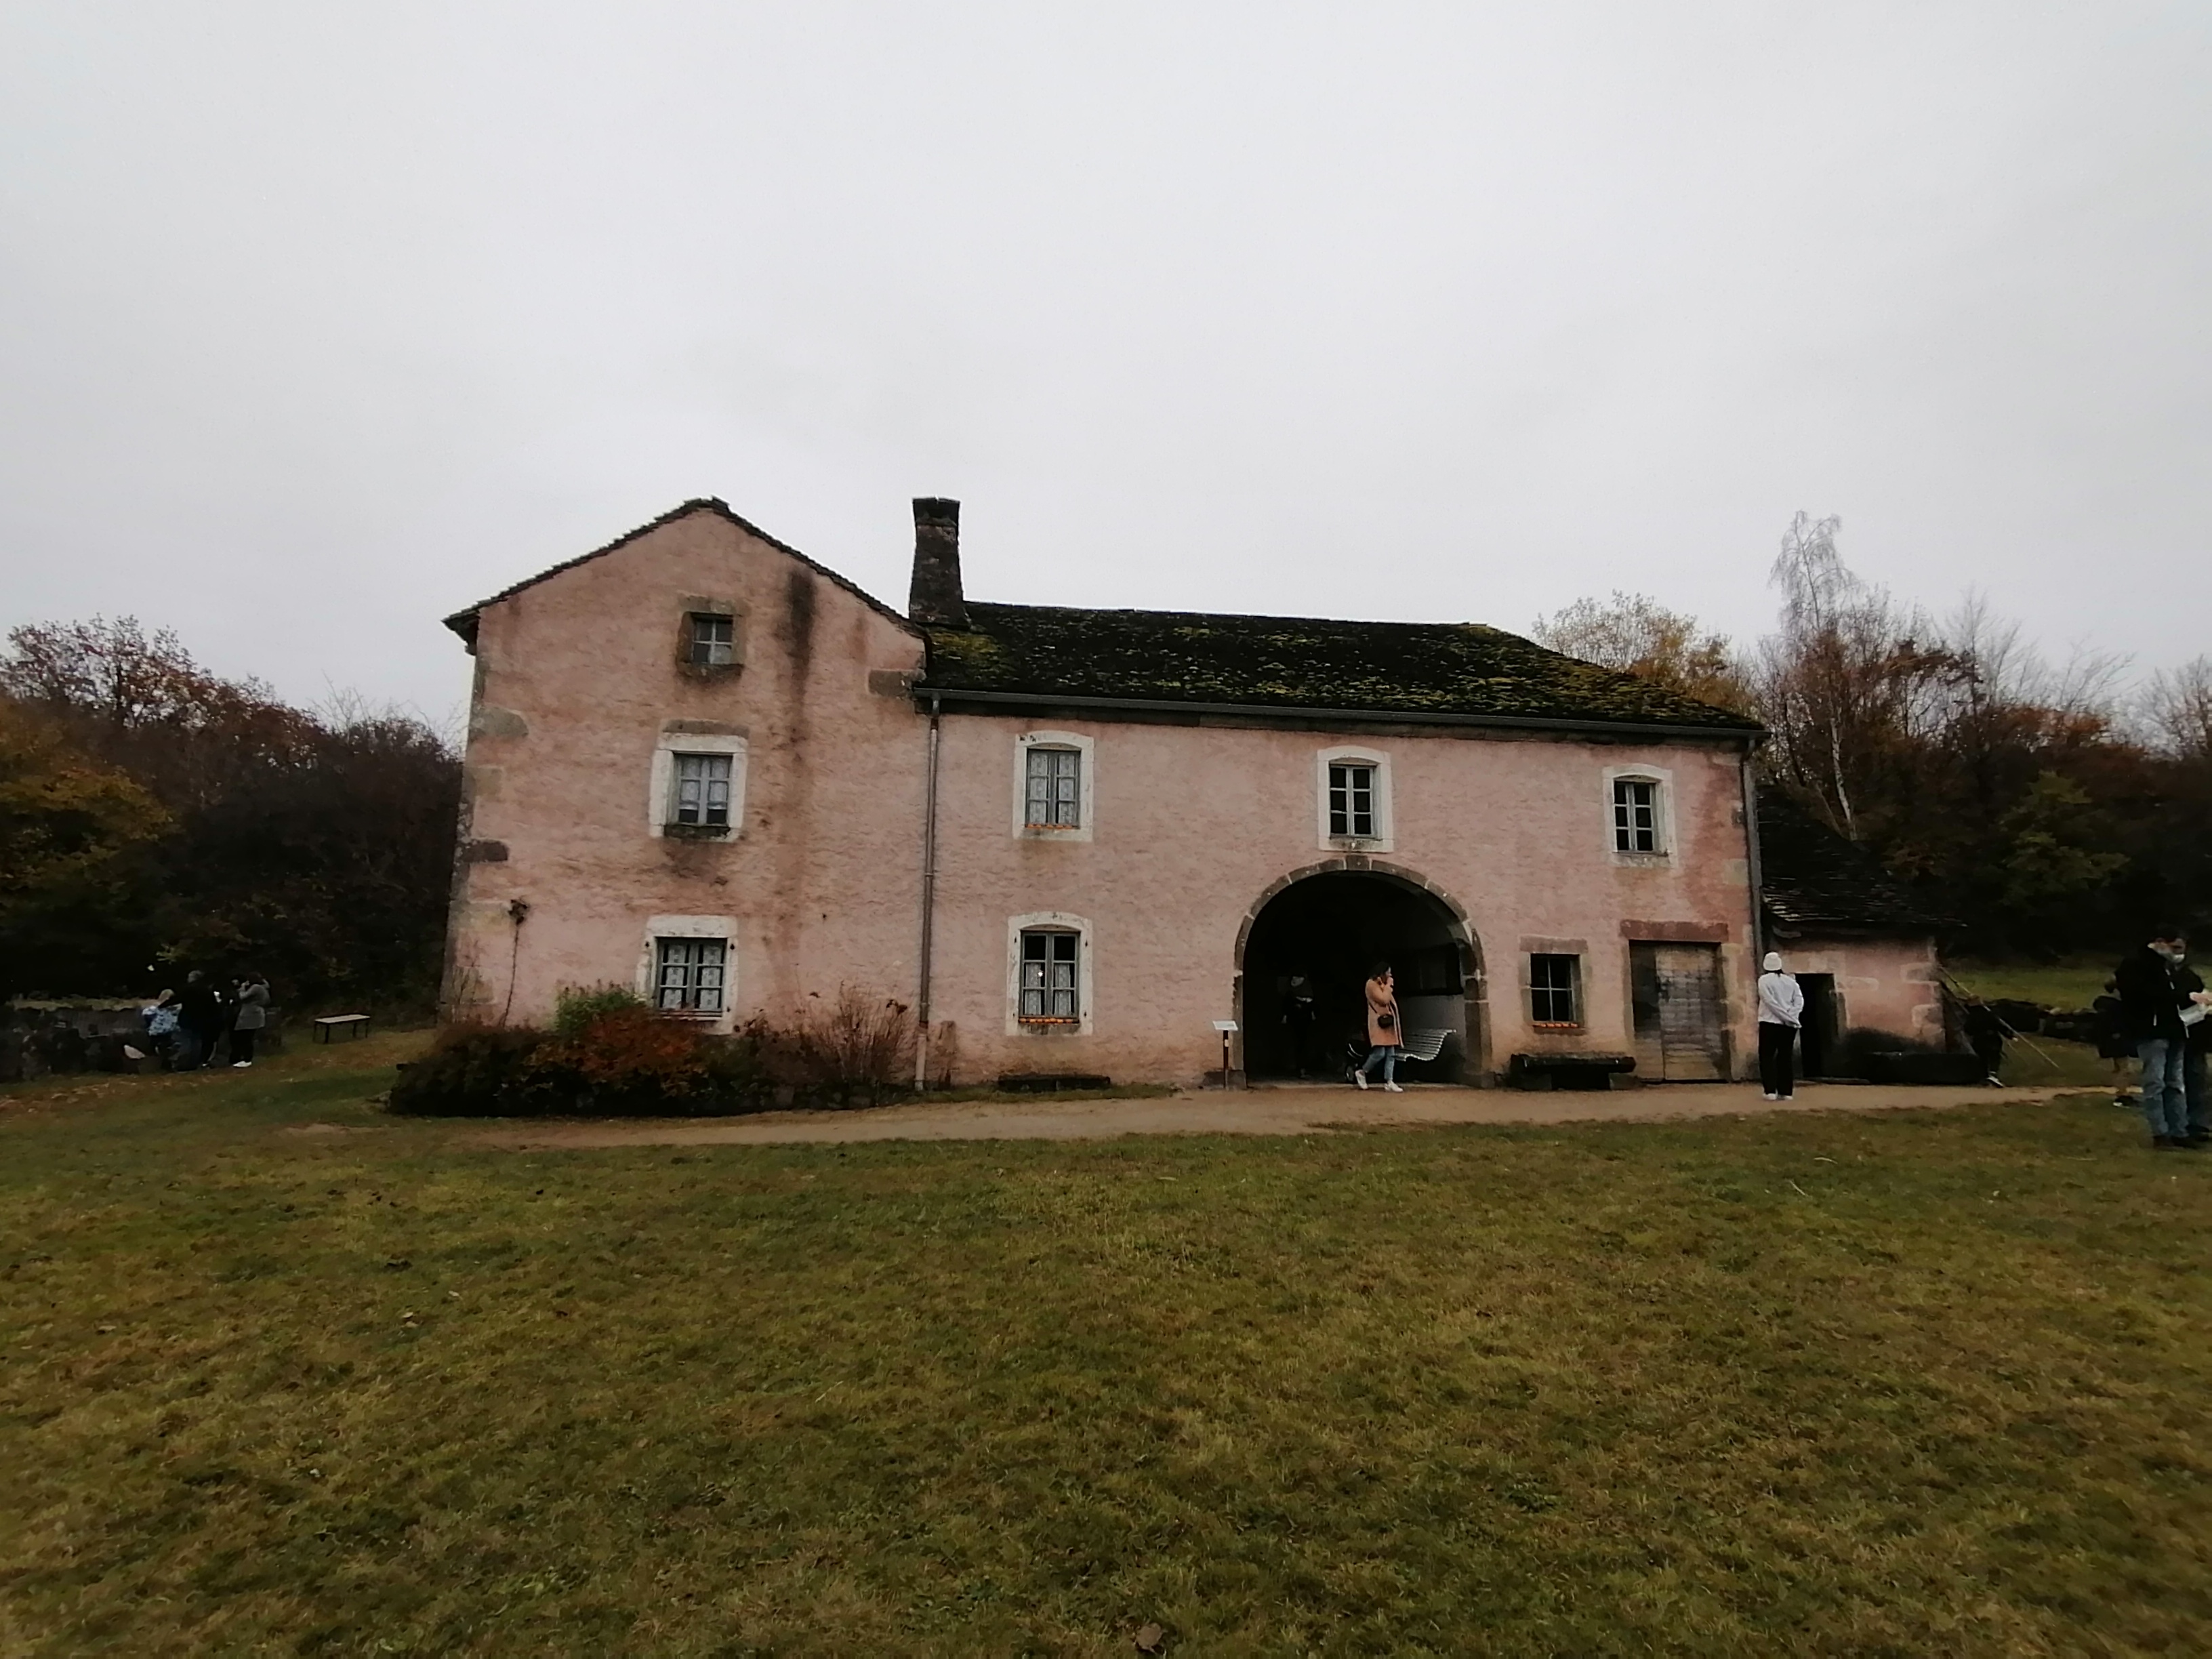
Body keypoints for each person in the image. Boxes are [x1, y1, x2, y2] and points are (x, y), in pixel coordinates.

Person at [2114, 930, 2192, 1149]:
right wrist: (2183, 996)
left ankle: (2179, 1131)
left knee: (2175, 1083)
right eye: (2174, 947)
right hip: (2151, 1030)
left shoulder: (2170, 967)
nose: (2177, 953)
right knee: (2155, 1082)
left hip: (2176, 1029)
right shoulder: (2135, 965)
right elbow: (2142, 994)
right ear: (2160, 943)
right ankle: (2160, 1133)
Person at [2169, 946, 2212, 1147]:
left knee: (2197, 1079)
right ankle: (2177, 1125)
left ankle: (2198, 1124)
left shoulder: (2190, 976)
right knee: (2175, 1081)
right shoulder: (2158, 975)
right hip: (2172, 1032)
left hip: (2195, 1035)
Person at [1757, 951, 1803, 1101]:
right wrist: (1791, 1017)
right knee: (1785, 1057)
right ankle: (1786, 1092)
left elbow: (1769, 1002)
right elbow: (1799, 1001)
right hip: (1789, 1025)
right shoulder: (1791, 982)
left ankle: (1770, 1091)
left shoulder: (1763, 981)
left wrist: (1784, 1016)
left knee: (1767, 1056)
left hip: (1769, 1022)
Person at [1354, 961, 1405, 1092]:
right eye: (1388, 972)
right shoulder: (1371, 984)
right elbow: (1383, 1000)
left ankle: (1389, 1081)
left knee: (1391, 1053)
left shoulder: (1383, 984)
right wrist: (1388, 986)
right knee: (1379, 1053)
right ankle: (1362, 1071)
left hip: (1388, 1022)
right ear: (1382, 973)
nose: (1390, 975)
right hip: (1379, 1022)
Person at [2091, 979, 2135, 1107]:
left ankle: (2121, 1092)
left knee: (2119, 1068)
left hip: (2110, 1040)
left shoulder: (2104, 1005)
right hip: (2118, 1040)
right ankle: (2123, 1095)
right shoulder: (2116, 1007)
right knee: (2125, 1069)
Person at [175, 970, 228, 1070]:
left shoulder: (188, 989)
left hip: (188, 1018)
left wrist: (162, 1005)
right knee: (196, 1042)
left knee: (187, 1041)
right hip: (201, 1020)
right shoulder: (206, 990)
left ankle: (184, 1063)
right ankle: (196, 1062)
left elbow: (177, 998)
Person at [1961, 996, 2007, 1085]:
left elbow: (1968, 1029)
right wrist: (2009, 1035)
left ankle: (1984, 1077)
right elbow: (1998, 1025)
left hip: (1979, 1040)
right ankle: (1993, 1074)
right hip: (1993, 1038)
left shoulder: (1971, 1016)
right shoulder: (1989, 1014)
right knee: (1994, 1057)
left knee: (1983, 1059)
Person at [230, 972, 270, 1068]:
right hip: (254, 1014)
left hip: (250, 1015)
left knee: (246, 1038)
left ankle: (247, 1059)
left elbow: (243, 996)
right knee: (247, 1037)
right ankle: (245, 1058)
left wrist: (242, 988)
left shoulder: (256, 988)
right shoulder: (263, 987)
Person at [141, 989, 181, 1069]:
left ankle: (155, 1064)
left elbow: (147, 1019)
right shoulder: (177, 1010)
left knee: (154, 1049)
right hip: (173, 1032)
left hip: (156, 1032)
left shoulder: (152, 1010)